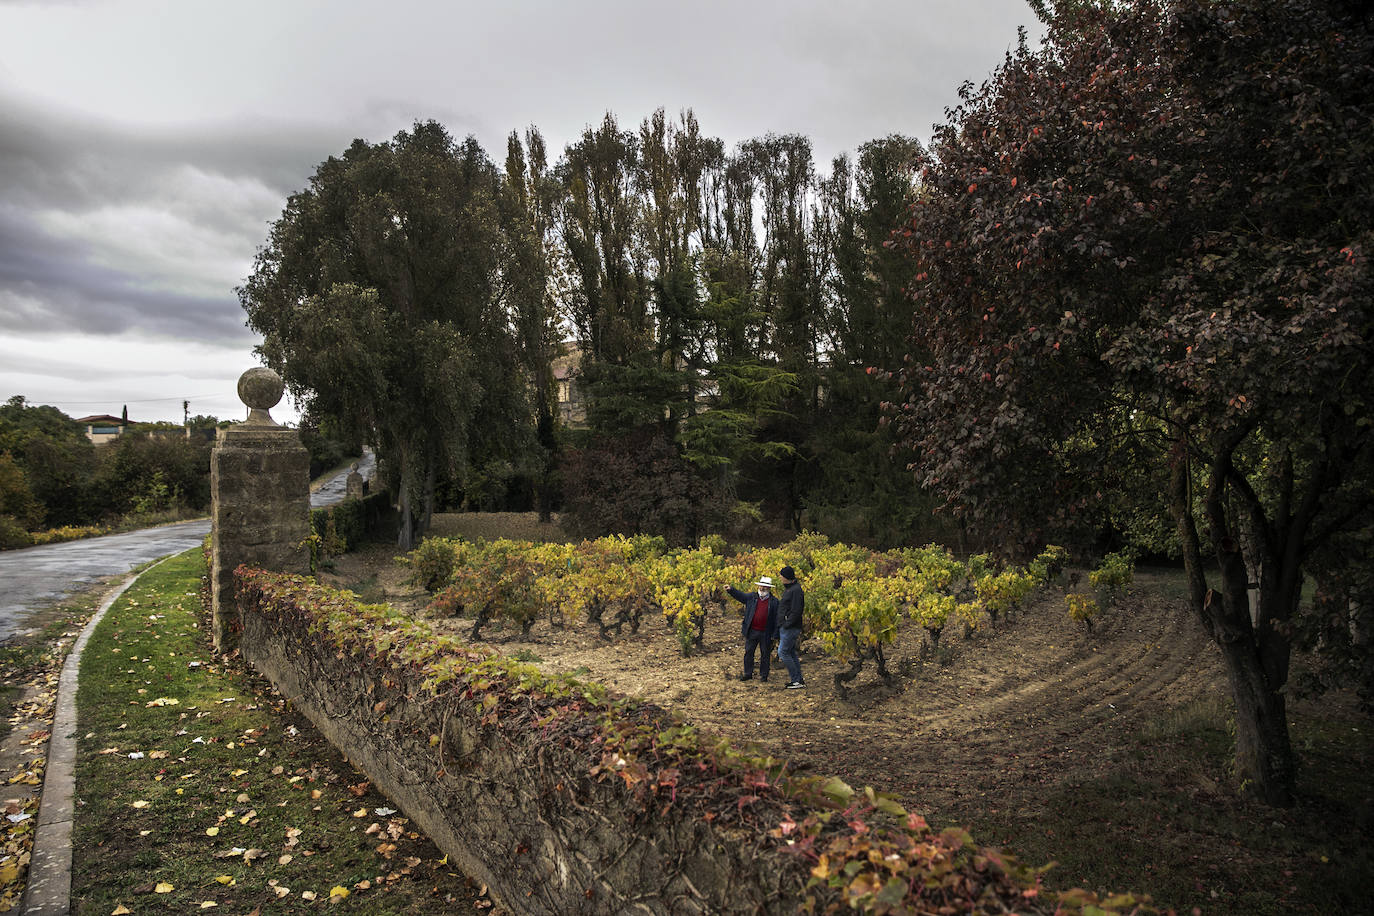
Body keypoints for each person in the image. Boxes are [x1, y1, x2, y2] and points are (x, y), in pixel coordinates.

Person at [726, 575, 779, 682]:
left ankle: (764, 676)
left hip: (766, 632)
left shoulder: (774, 602)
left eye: (765, 587)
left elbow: (777, 619)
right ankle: (747, 673)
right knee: (749, 652)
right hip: (752, 630)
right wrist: (731, 590)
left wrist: (775, 634)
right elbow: (740, 596)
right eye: (761, 586)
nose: (762, 588)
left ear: (769, 588)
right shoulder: (752, 597)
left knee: (765, 654)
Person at [776, 565, 805, 689]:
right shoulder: (790, 588)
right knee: (791, 652)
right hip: (787, 627)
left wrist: (787, 624)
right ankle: (798, 680)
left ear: (787, 577)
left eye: (781, 576)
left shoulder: (796, 590)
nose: (780, 578)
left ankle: (796, 680)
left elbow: (797, 610)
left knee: (782, 652)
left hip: (790, 628)